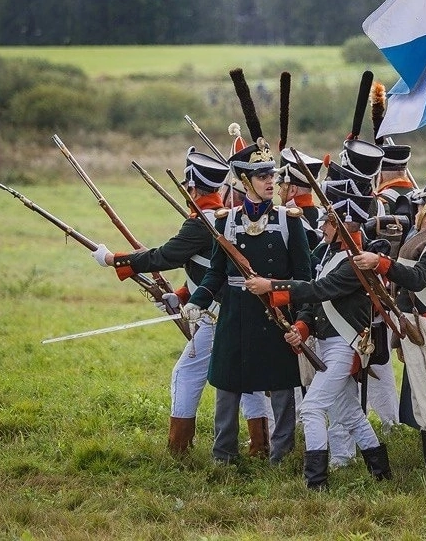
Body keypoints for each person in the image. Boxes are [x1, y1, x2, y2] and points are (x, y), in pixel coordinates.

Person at [92, 147, 270, 455]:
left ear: (192, 189)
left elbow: (164, 257)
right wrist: (182, 295)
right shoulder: (226, 216)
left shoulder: (201, 223)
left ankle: (179, 447)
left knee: (185, 374)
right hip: (236, 309)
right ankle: (260, 443)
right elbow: (209, 268)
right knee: (246, 378)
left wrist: (112, 259)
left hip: (219, 315)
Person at [244, 181, 392, 489]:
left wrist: (272, 285)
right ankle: (382, 474)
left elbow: (319, 289)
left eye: (328, 223)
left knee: (311, 408)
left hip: (345, 346)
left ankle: (316, 481)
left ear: (344, 225)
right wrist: (301, 328)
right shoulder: (330, 255)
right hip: (328, 344)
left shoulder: (355, 263)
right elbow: (314, 305)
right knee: (350, 413)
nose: (322, 227)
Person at [183, 137, 313, 464]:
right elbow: (215, 273)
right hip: (235, 314)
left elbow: (304, 279)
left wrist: (295, 313)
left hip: (275, 313)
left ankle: (281, 456)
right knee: (227, 384)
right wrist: (197, 301)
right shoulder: (225, 221)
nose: (271, 182)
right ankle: (223, 455)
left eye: (272, 175)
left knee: (281, 387)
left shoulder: (289, 220)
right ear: (244, 180)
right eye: (262, 176)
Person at [356, 177, 426, 492]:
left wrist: (380, 263)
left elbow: (417, 279)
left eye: (422, 206)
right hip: (422, 332)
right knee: (423, 406)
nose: (417, 211)